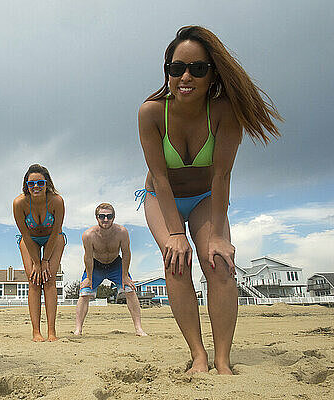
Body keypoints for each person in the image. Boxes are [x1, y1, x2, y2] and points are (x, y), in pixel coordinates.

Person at [137, 26, 281, 374]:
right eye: (176, 68)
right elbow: (159, 178)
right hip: (162, 197)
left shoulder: (225, 113)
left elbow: (221, 176)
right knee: (176, 260)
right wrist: (174, 234)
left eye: (197, 69)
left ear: (212, 73)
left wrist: (217, 234)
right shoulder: (151, 113)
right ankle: (198, 355)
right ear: (167, 71)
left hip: (206, 196)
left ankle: (222, 359)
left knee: (217, 262)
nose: (185, 76)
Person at [73, 203, 147, 336]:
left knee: (130, 290)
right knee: (84, 293)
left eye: (109, 216)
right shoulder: (88, 235)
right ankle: (78, 329)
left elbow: (126, 253)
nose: (105, 219)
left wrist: (125, 276)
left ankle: (139, 328)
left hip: (115, 264)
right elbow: (88, 258)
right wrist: (89, 278)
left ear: (114, 217)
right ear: (97, 218)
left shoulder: (122, 232)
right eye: (102, 216)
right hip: (96, 266)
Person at [13, 164, 66, 342]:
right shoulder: (19, 203)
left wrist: (45, 261)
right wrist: (36, 262)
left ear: (47, 184)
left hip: (54, 239)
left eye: (40, 183)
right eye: (31, 183)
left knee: (49, 279)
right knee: (34, 280)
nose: (36, 187)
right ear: (26, 185)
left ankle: (52, 331)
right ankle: (36, 331)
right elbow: (25, 235)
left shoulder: (56, 201)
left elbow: (56, 232)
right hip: (30, 241)